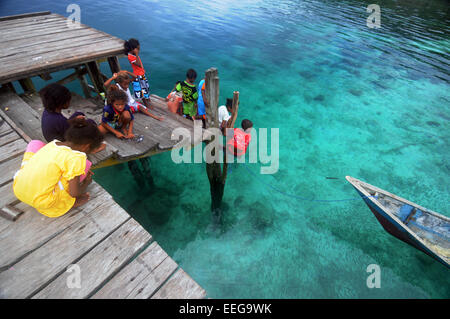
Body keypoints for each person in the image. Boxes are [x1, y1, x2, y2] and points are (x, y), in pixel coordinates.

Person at [13, 118, 104, 218]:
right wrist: (86, 183)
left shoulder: (54, 144)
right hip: (43, 201)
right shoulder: (77, 158)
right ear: (86, 146)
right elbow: (74, 193)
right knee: (84, 166)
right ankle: (68, 204)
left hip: (18, 188)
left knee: (37, 145)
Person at [124, 38, 152, 109]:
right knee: (141, 89)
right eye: (137, 49)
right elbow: (138, 64)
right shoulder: (131, 56)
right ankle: (146, 103)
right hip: (138, 76)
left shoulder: (133, 55)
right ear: (133, 49)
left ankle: (148, 99)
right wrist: (136, 54)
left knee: (145, 87)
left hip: (141, 74)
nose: (138, 50)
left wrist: (143, 69)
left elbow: (140, 64)